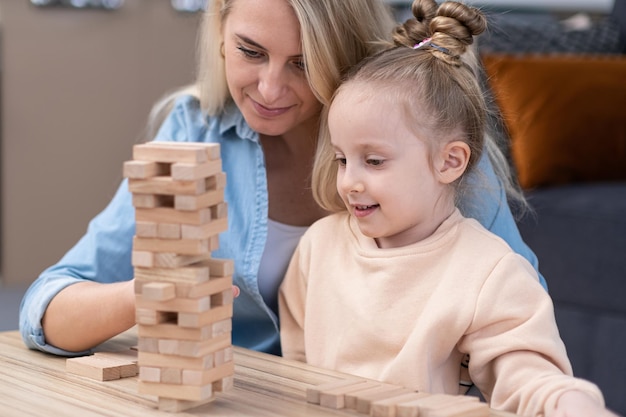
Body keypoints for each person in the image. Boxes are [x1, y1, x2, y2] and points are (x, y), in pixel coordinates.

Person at [20, 0, 543, 358]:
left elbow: (520, 315)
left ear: (342, 54)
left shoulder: (419, 137)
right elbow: (46, 308)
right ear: (220, 31)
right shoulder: (193, 130)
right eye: (251, 52)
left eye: (302, 63)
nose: (270, 88)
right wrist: (156, 292)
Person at [277, 1, 619, 416]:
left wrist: (571, 402)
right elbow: (293, 369)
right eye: (342, 159)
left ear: (450, 162)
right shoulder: (318, 247)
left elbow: (526, 376)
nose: (349, 181)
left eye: (375, 161)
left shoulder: (489, 271)